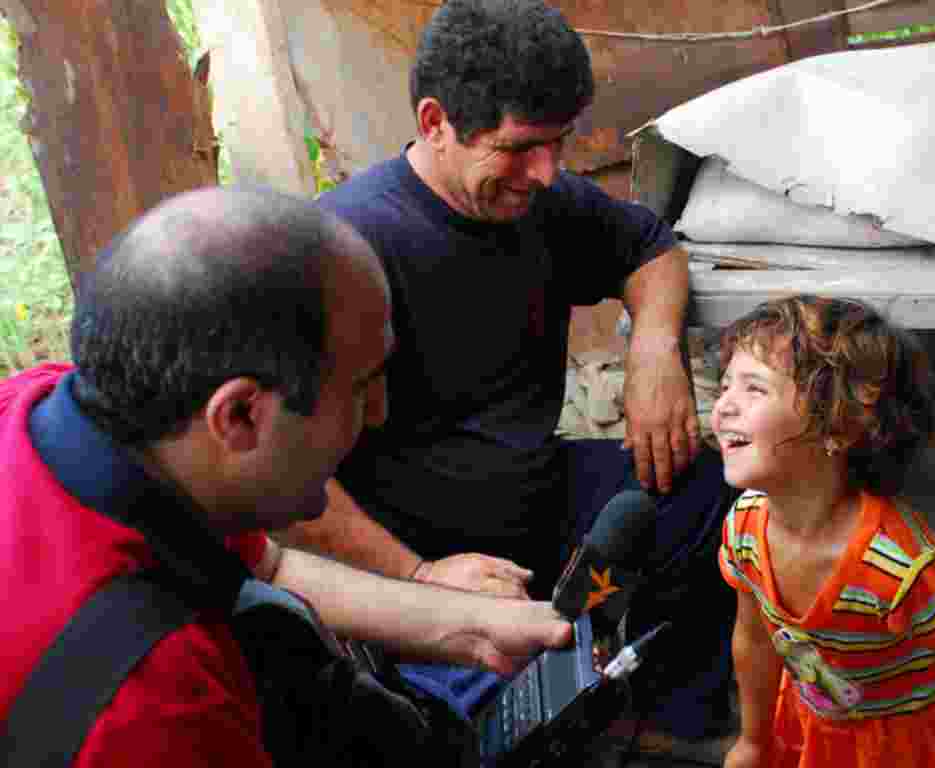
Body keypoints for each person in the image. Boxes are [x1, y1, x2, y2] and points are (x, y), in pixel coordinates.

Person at [0, 185, 572, 767]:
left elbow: (267, 565)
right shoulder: (149, 705)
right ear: (241, 414)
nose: (380, 413)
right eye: (361, 385)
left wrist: (480, 627)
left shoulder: (54, 409)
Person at [301, 0, 739, 747]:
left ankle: (670, 726)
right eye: (521, 148)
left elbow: (650, 247)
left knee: (710, 492)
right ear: (435, 121)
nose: (547, 172)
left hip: (541, 505)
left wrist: (652, 353)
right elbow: (294, 490)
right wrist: (418, 579)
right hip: (408, 555)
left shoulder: (541, 202)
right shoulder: (340, 250)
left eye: (561, 143)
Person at [713, 295, 935, 767]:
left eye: (754, 389)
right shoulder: (745, 527)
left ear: (840, 426)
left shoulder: (900, 566)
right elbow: (753, 638)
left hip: (905, 748)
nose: (723, 406)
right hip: (815, 733)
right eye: (725, 384)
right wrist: (753, 742)